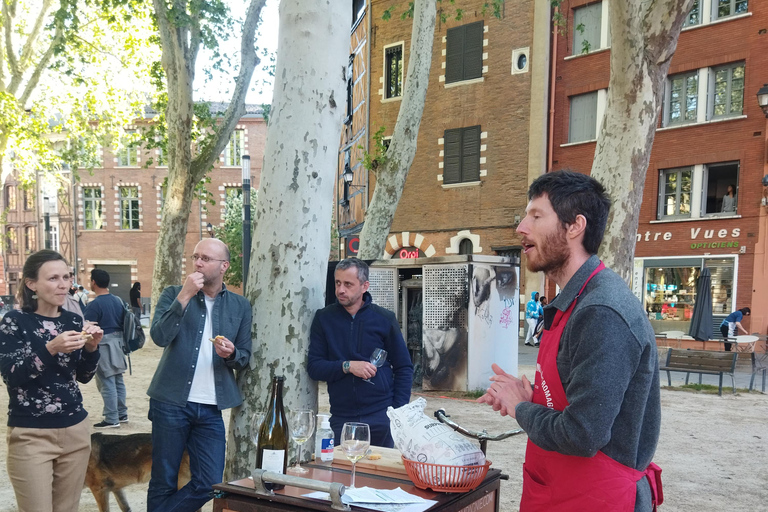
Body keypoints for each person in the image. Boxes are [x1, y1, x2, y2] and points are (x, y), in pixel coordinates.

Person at [477, 170, 662, 511]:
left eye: (536, 216)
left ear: (575, 226)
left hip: (596, 498)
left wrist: (520, 407)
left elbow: (582, 434)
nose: (521, 227)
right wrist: (531, 397)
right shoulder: (574, 301)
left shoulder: (602, 311)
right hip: (561, 491)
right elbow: (583, 403)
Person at [147, 238, 252, 512]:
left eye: (206, 258)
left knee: (210, 482)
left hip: (210, 407)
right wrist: (184, 296)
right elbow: (159, 336)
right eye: (196, 257)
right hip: (169, 401)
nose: (198, 262)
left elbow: (244, 357)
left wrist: (231, 354)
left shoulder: (240, 306)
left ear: (223, 266)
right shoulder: (173, 294)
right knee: (163, 480)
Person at [0, 250, 103, 512]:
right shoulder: (15, 322)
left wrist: (92, 349)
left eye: (66, 277)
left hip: (75, 431)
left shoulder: (73, 320)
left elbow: (82, 376)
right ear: (31, 284)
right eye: (53, 278)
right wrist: (51, 347)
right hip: (31, 434)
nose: (63, 284)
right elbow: (12, 376)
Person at [308, 258, 413, 448]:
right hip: (341, 417)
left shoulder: (384, 319)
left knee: (379, 474)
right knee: (343, 474)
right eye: (338, 283)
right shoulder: (324, 318)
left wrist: (396, 411)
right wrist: (347, 366)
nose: (341, 290)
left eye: (348, 284)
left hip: (382, 417)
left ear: (365, 286)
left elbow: (404, 367)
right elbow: (314, 367)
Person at [84, 269, 129, 428]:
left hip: (103, 344)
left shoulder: (94, 305)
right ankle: (122, 413)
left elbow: (87, 329)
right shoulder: (118, 300)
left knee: (106, 381)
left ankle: (111, 418)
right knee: (118, 380)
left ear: (93, 282)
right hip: (118, 343)